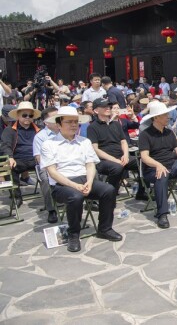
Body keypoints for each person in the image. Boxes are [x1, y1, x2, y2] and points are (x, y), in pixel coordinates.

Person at [41, 106, 122, 252]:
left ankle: (105, 228)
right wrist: (74, 185)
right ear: (59, 124)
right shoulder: (49, 144)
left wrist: (90, 182)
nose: (73, 125)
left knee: (108, 190)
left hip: (85, 179)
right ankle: (73, 234)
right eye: (69, 122)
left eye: (76, 122)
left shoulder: (84, 142)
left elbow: (90, 165)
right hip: (62, 184)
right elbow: (52, 173)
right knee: (75, 196)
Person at [87, 98, 147, 201]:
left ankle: (141, 192)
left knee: (143, 162)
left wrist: (126, 155)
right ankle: (111, 195)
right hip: (104, 160)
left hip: (121, 156)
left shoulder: (116, 124)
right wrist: (115, 160)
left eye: (109, 106)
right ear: (96, 111)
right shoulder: (92, 127)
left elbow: (123, 141)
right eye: (104, 107)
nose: (108, 108)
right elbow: (96, 149)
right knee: (117, 167)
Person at [0, 102, 42, 207]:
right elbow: (6, 145)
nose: (27, 117)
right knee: (9, 167)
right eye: (24, 115)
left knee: (50, 169)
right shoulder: (9, 130)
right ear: (18, 115)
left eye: (30, 115)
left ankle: (51, 198)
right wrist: (10, 157)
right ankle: (17, 197)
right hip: (18, 159)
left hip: (36, 159)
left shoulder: (39, 129)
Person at [32, 107, 59, 223]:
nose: (58, 119)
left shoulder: (65, 131)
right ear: (45, 122)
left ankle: (92, 200)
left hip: (65, 162)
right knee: (46, 178)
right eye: (54, 117)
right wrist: (53, 169)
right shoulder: (40, 137)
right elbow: (39, 158)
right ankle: (51, 209)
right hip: (47, 165)